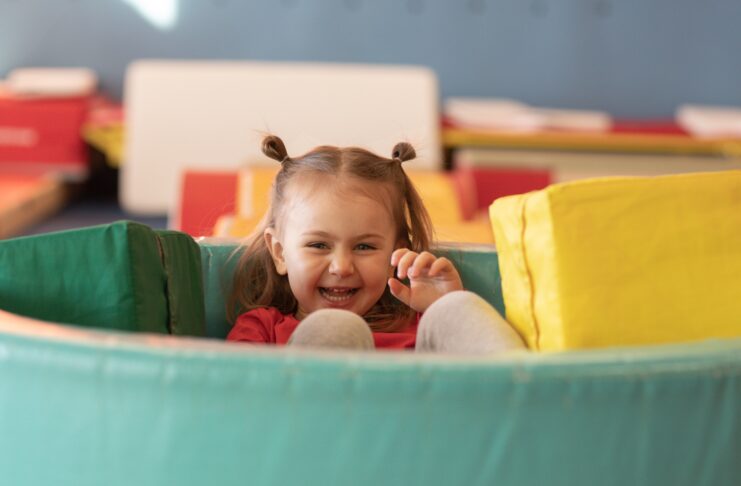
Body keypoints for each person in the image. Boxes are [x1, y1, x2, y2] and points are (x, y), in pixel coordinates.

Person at [226, 135, 525, 354]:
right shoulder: (263, 328)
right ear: (279, 253)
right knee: (335, 327)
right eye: (318, 245)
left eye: (364, 247)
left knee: (459, 307)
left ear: (396, 253)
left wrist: (442, 305)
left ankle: (531, 401)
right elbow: (233, 399)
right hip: (311, 433)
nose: (341, 267)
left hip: (427, 431)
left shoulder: (420, 325)